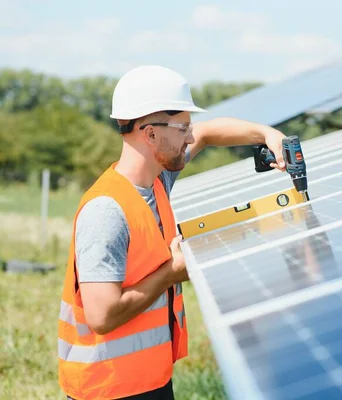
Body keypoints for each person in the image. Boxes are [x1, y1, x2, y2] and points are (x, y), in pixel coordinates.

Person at [57, 65, 288, 400]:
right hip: (108, 389)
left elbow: (208, 133)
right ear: (150, 134)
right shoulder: (107, 210)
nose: (191, 137)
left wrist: (266, 134)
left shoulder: (157, 181)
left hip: (149, 380)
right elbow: (101, 316)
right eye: (183, 129)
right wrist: (172, 273)